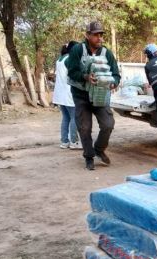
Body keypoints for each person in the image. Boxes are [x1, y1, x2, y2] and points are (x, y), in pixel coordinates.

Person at [66, 21, 120, 170]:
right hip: (81, 95)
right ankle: (89, 157)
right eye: (96, 35)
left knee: (108, 124)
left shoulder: (106, 53)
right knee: (84, 127)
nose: (99, 38)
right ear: (87, 35)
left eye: (101, 35)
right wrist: (85, 77)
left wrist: (113, 82)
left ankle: (99, 149)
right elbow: (71, 71)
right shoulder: (78, 49)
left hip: (100, 95)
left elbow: (116, 74)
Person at [53, 41, 81, 150]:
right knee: (74, 117)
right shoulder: (69, 59)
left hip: (60, 94)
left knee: (65, 118)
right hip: (69, 93)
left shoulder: (59, 60)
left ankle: (64, 141)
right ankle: (74, 141)